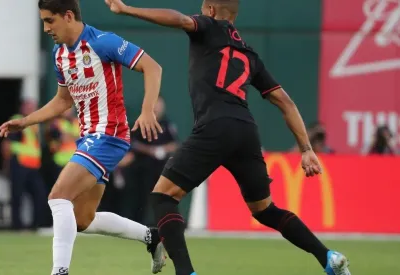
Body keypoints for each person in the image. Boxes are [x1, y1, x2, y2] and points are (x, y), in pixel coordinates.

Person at [104, 1, 351, 275]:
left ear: (209, 9)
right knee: (265, 209)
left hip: (214, 126)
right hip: (246, 131)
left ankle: (186, 272)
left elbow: (179, 20)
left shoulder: (207, 26)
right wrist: (306, 149)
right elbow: (285, 102)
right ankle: (328, 256)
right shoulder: (249, 54)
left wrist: (128, 10)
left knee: (163, 196)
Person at [0, 1, 166, 274]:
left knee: (57, 196)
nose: (46, 28)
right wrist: (26, 122)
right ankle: (152, 236)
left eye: (50, 20)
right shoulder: (59, 54)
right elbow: (63, 101)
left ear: (68, 15)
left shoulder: (103, 42)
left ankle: (59, 271)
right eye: (43, 21)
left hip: (108, 135)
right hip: (90, 138)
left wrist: (147, 110)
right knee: (83, 219)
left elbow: (153, 67)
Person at [124, 97, 179, 225]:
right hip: (141, 168)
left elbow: (175, 144)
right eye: (155, 105)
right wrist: (151, 151)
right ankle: (136, 223)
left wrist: (162, 149)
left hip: (161, 169)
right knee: (139, 198)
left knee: (161, 197)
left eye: (159, 105)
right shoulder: (141, 123)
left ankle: (163, 223)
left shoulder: (167, 124)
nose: (157, 109)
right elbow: (134, 143)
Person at [1, 99, 49, 230]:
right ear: (22, 108)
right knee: (17, 196)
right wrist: (6, 163)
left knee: (40, 194)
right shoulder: (17, 120)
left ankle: (35, 225)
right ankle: (17, 226)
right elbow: (7, 143)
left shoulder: (35, 123)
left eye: (32, 107)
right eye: (28, 106)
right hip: (19, 163)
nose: (30, 109)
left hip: (33, 166)